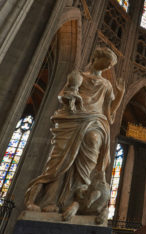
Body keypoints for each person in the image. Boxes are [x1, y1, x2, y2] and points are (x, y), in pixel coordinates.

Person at [24, 47, 125, 216]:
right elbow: (63, 95)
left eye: (109, 66)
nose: (107, 68)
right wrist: (71, 97)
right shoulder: (79, 76)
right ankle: (48, 201)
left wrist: (121, 95)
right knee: (60, 162)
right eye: (105, 63)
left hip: (96, 121)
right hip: (73, 120)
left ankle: (76, 200)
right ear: (95, 58)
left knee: (92, 145)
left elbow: (109, 112)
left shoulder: (106, 84)